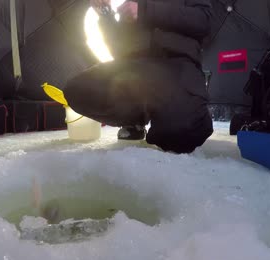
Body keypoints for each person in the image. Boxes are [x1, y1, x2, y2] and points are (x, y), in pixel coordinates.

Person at [63, 0, 214, 153]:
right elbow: (119, 49)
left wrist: (144, 10)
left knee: (179, 135)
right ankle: (134, 120)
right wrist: (105, 14)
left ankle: (194, 109)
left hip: (176, 65)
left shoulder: (142, 6)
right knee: (77, 89)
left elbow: (203, 20)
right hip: (135, 68)